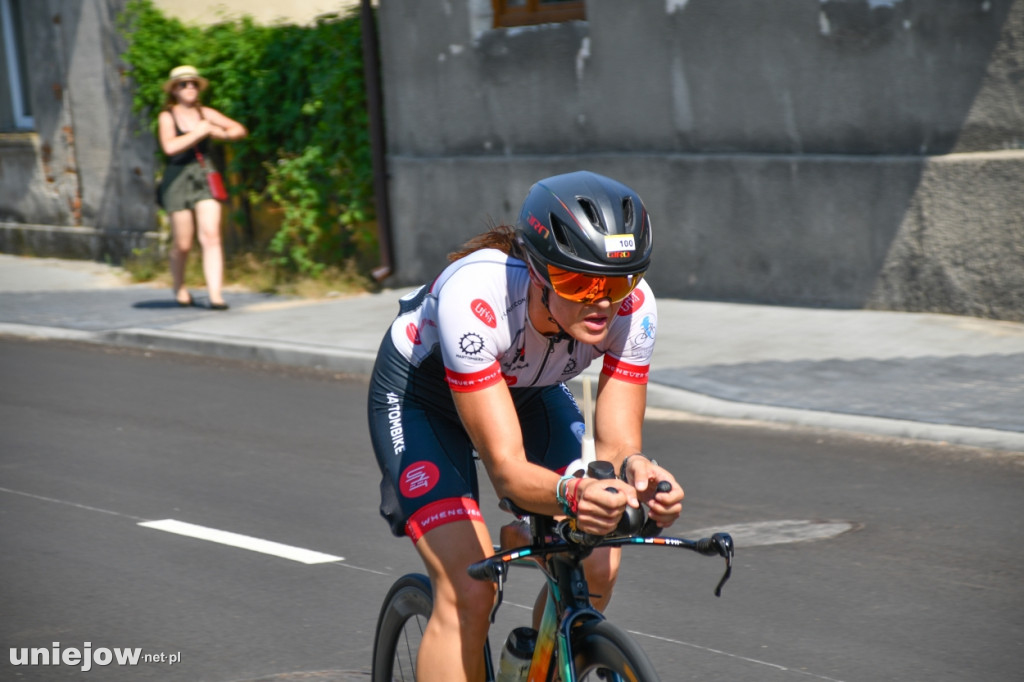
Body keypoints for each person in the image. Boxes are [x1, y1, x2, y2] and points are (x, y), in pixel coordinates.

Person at [366, 170, 685, 682]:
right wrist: (569, 495)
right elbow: (508, 470)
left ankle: (534, 666)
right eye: (580, 282)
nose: (603, 302)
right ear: (538, 273)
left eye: (619, 282)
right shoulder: (478, 294)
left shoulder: (635, 308)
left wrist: (639, 474)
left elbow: (620, 443)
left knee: (599, 563)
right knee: (469, 589)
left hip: (527, 389)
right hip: (421, 400)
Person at [156, 65, 247, 310]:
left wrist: (219, 133)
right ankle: (179, 286)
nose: (190, 88)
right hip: (177, 178)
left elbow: (239, 129)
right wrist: (198, 133)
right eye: (183, 84)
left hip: (205, 174)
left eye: (194, 83)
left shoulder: (206, 112)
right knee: (183, 243)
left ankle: (215, 295)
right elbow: (170, 148)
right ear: (174, 90)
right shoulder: (167, 116)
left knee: (211, 235)